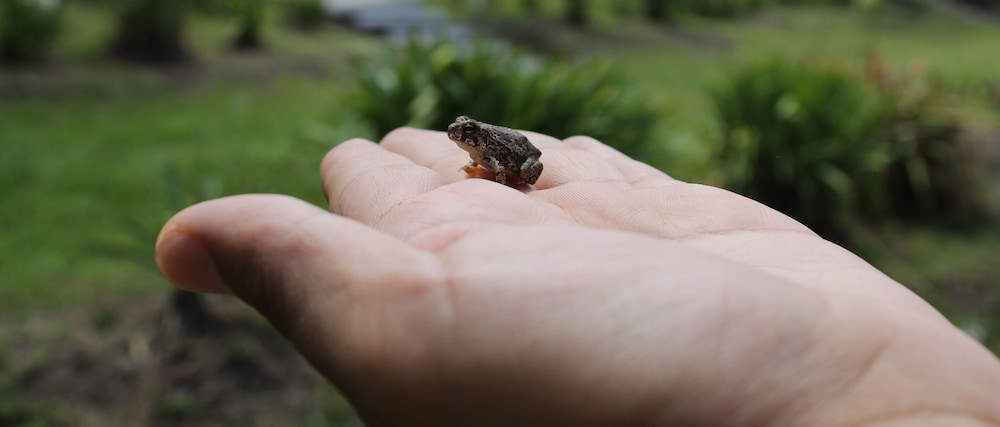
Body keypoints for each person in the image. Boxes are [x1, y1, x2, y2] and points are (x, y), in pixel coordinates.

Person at [155, 127, 1000, 426]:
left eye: (463, 134)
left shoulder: (488, 148)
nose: (460, 138)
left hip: (528, 169)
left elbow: (517, 161)